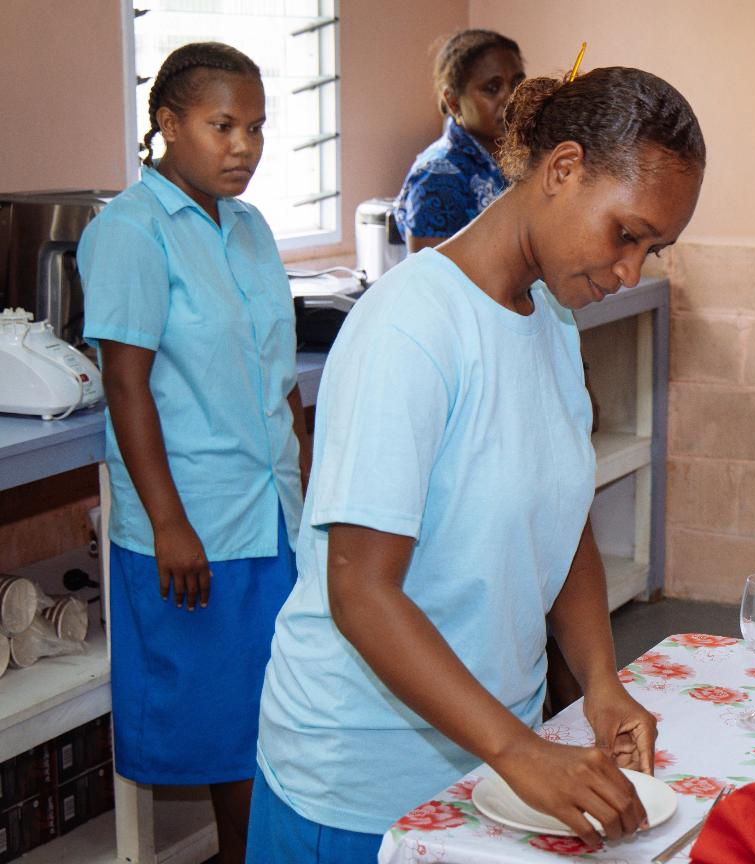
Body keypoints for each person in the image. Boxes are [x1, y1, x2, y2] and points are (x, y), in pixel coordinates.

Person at [247, 65, 705, 862]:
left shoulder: (553, 320)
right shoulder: (412, 329)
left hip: (492, 761)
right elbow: (361, 591)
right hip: (363, 782)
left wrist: (599, 681)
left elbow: (562, 523)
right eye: (626, 234)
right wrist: (519, 750)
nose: (631, 270)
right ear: (562, 170)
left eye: (654, 249)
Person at [78, 42, 308, 864]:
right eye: (221, 125)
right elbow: (127, 388)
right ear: (168, 124)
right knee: (224, 732)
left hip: (274, 514)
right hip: (197, 527)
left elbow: (278, 382)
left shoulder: (249, 229)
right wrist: (171, 525)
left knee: (280, 718)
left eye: (256, 127)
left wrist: (310, 500)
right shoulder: (130, 233)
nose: (242, 145)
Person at [394, 28, 525, 252]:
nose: (511, 99)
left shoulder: (526, 158)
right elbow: (431, 280)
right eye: (492, 89)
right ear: (453, 102)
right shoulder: (436, 177)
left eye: (517, 84)